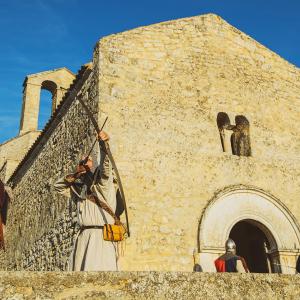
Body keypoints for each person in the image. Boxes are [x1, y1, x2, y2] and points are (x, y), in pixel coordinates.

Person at [54, 131, 124, 271]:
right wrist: (77, 173)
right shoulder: (80, 192)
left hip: (100, 238)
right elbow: (58, 186)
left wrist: (103, 145)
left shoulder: (104, 187)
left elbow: (105, 168)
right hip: (83, 238)